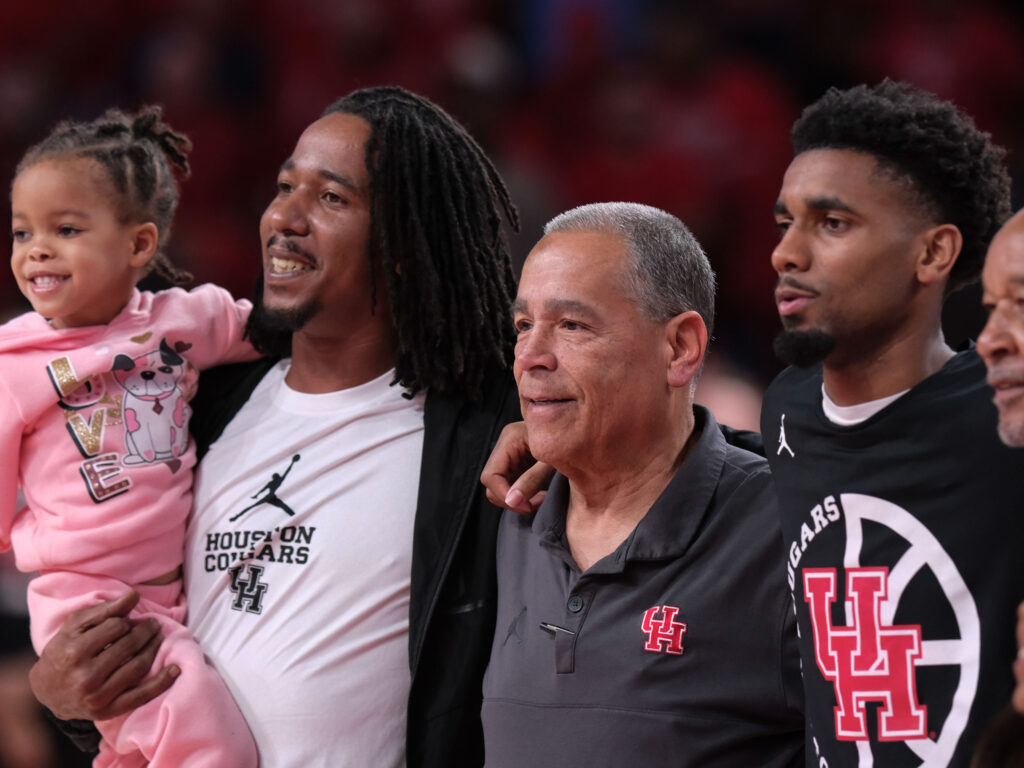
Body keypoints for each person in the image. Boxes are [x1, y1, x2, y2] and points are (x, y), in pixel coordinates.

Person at [29, 86, 522, 768]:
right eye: (285, 186)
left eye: (330, 198)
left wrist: (565, 440)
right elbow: (144, 648)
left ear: (404, 242)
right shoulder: (199, 407)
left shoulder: (485, 433)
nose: (284, 217)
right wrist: (65, 698)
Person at [481, 202, 804, 767]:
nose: (529, 356)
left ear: (680, 347)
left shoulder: (791, 533)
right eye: (523, 325)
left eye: (572, 325)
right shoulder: (508, 512)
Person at [763, 80, 1024, 767]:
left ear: (933, 254)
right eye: (783, 222)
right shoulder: (785, 408)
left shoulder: (1007, 407)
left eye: (832, 223)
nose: (786, 254)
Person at [0, 108, 257, 766]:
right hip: (94, 605)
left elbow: (275, 333)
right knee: (211, 745)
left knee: (137, 748)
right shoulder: (15, 360)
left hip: (174, 590)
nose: (36, 250)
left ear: (139, 245)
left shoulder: (182, 320)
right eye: (23, 230)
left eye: (66, 229)